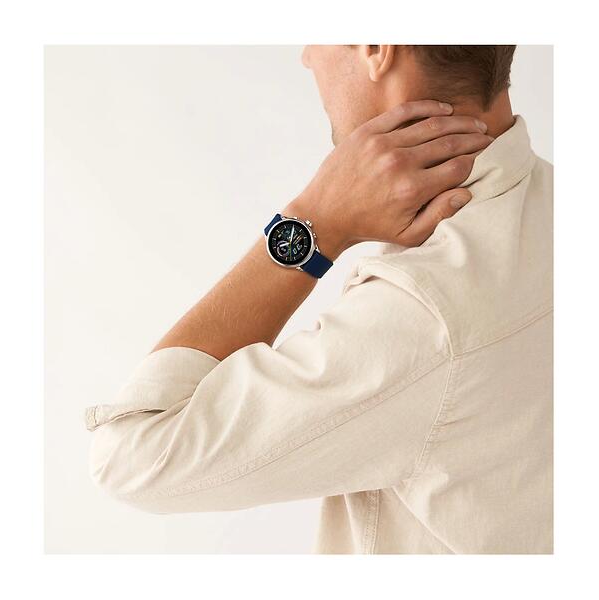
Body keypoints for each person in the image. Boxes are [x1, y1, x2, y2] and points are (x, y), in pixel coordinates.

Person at [84, 45, 553, 554]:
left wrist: (315, 223)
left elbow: (131, 454)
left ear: (376, 47)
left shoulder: (424, 315)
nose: (307, 57)